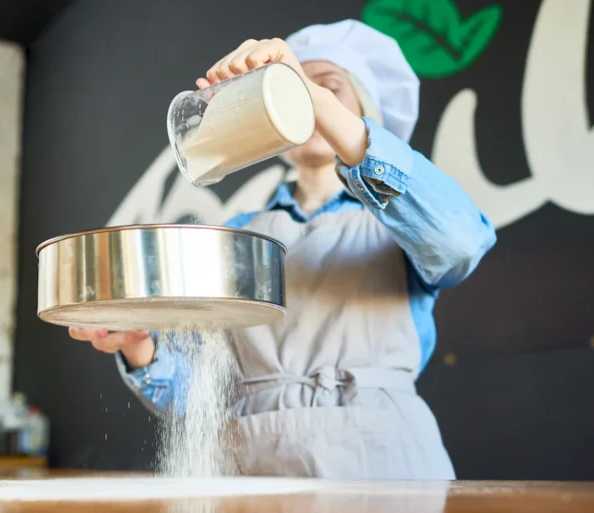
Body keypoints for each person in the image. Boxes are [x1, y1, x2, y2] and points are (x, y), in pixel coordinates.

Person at [69, 19, 496, 479]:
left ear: (360, 110)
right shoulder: (234, 235)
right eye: (292, 88)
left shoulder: (400, 216)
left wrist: (316, 104)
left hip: (384, 458)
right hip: (256, 462)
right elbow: (196, 399)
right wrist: (139, 345)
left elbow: (460, 242)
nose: (306, 98)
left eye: (329, 90)